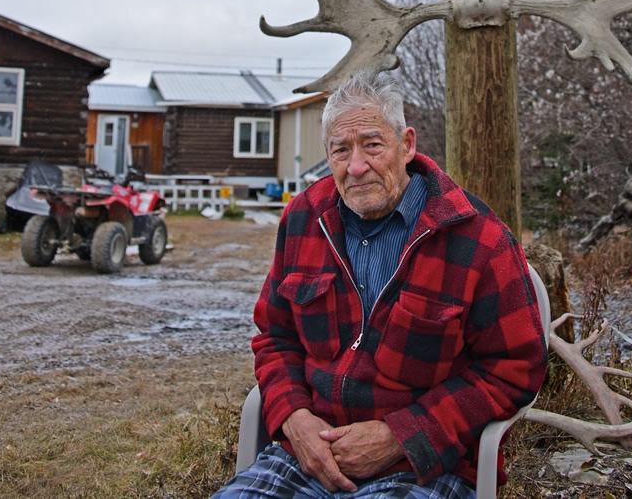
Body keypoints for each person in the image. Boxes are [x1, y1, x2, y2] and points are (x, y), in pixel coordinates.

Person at [210, 70, 547, 499]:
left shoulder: (477, 238)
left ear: (406, 145)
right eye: (340, 149)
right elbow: (276, 335)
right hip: (308, 456)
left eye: (372, 144)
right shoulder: (304, 218)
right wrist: (294, 417)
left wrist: (401, 436)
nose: (356, 166)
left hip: (422, 465)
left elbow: (516, 369)